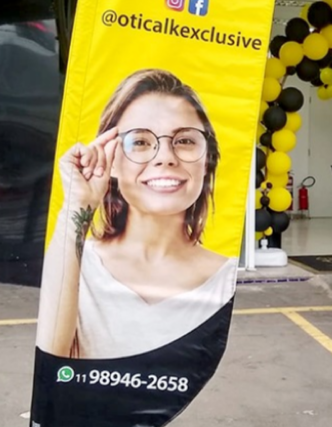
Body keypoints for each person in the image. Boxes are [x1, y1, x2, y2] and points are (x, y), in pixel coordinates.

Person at [36, 69, 237, 359]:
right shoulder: (75, 264)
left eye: (184, 141)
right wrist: (77, 205)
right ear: (111, 159)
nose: (165, 157)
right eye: (140, 142)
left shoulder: (228, 278)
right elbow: (51, 360)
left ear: (207, 161)